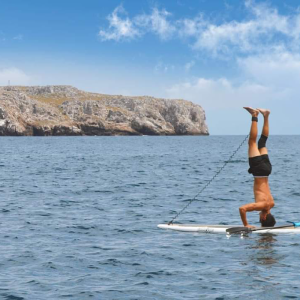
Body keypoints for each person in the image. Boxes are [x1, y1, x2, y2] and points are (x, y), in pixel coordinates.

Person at [239, 107, 276, 228]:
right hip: (259, 171)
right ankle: (255, 115)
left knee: (262, 143)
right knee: (252, 142)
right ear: (264, 217)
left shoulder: (271, 204)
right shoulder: (262, 206)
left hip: (267, 170)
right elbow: (242, 209)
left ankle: (266, 116)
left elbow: (266, 208)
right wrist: (246, 224)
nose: (259, 216)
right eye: (260, 219)